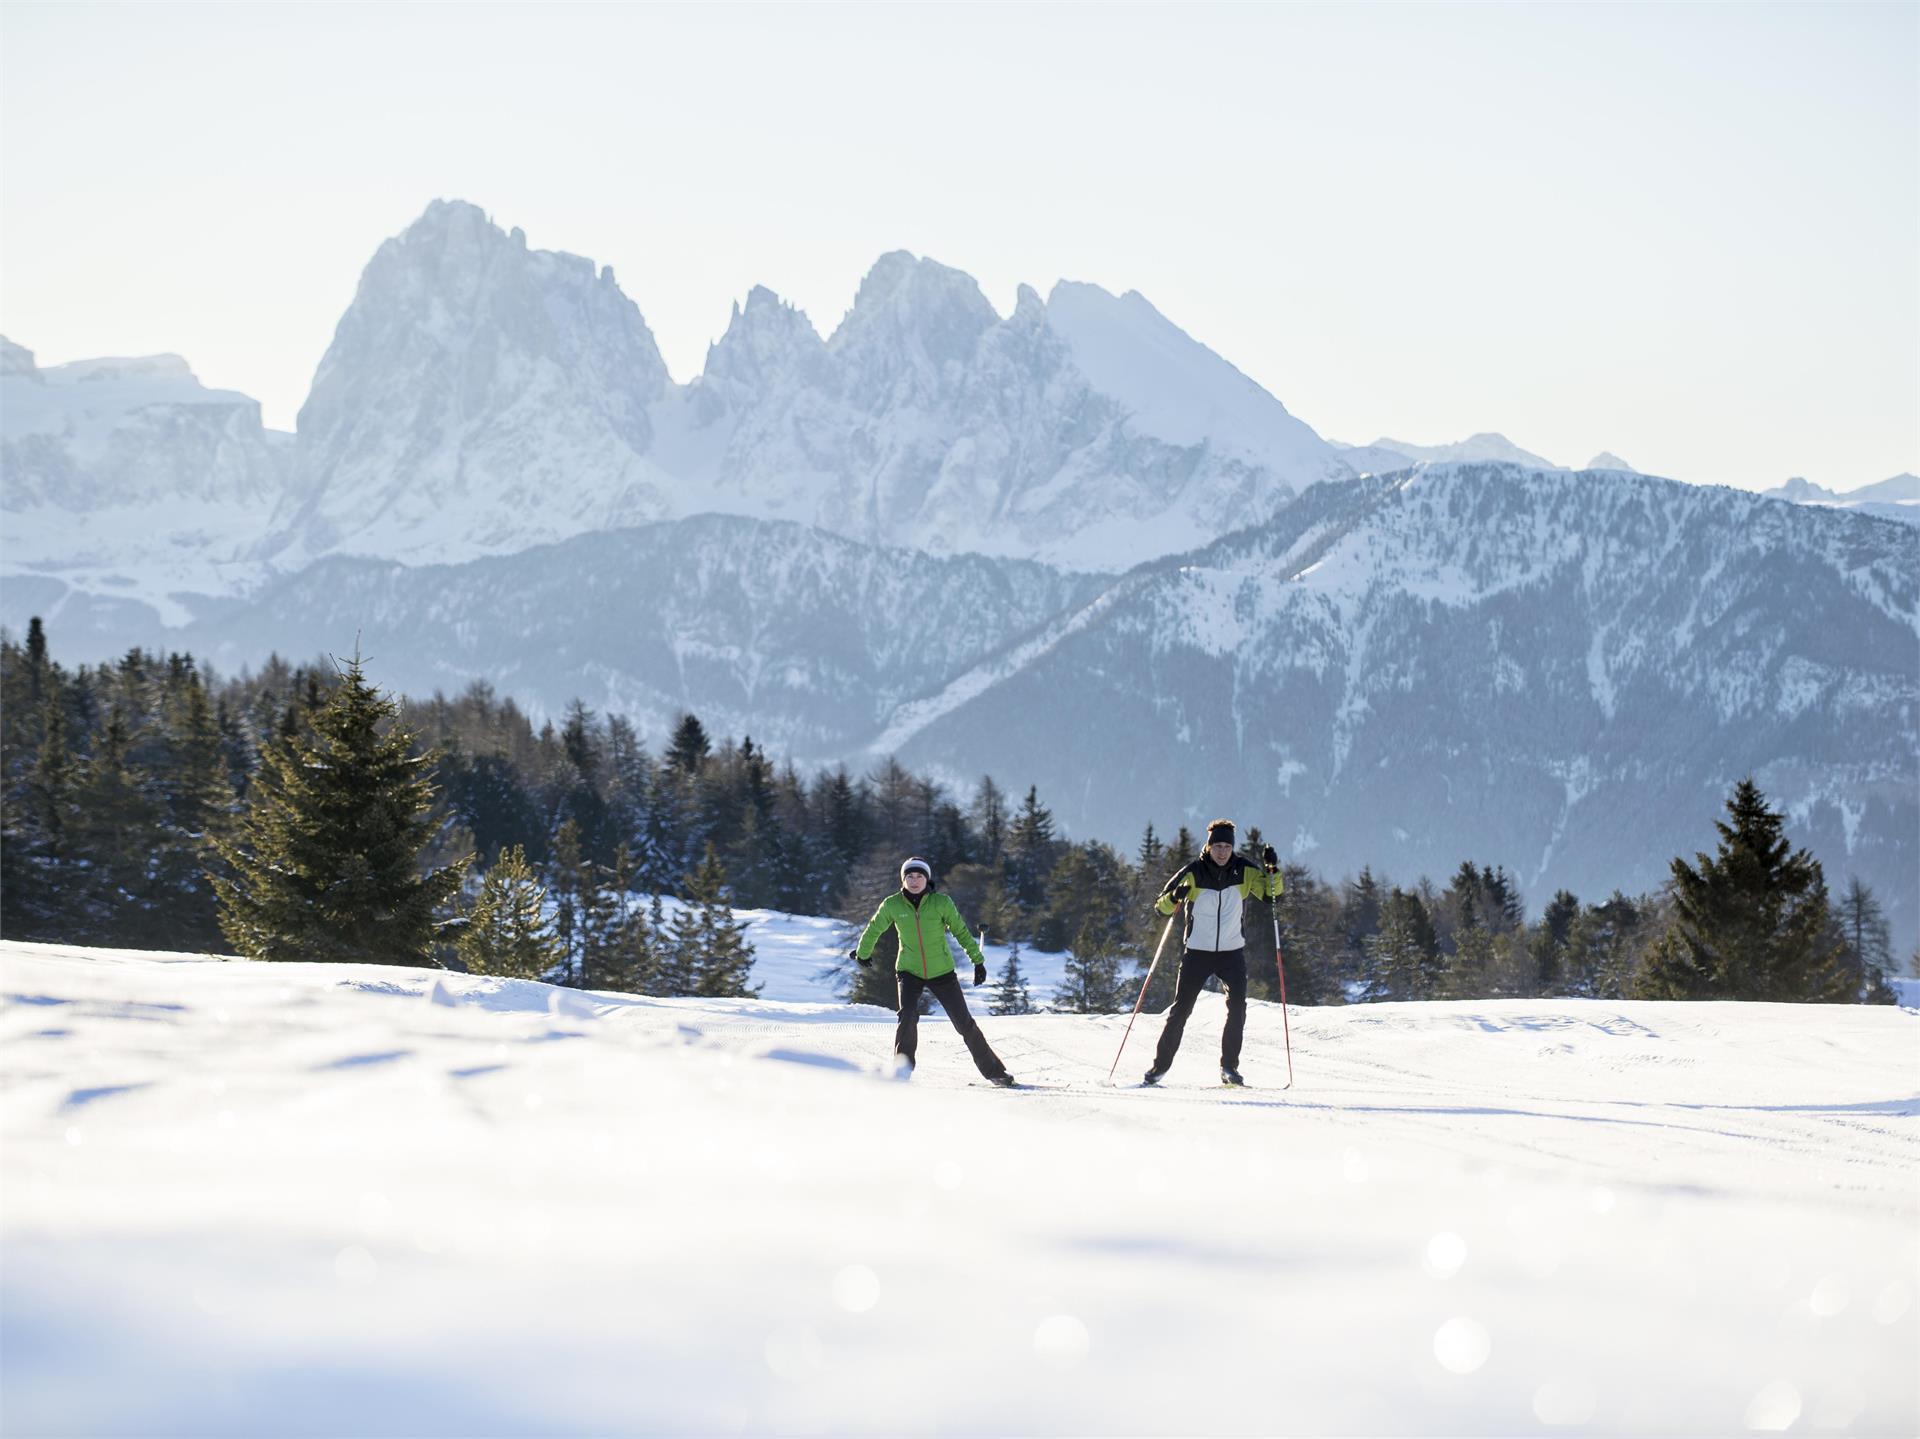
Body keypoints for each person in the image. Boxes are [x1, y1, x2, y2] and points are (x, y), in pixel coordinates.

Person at [850, 857, 1016, 1086]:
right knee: (907, 1017)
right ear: (903, 879)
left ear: (927, 879)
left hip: (942, 972)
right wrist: (863, 953)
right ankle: (902, 1070)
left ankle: (995, 1072)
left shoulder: (941, 903)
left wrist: (978, 962)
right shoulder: (893, 904)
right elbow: (874, 927)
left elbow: (960, 931)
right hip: (909, 970)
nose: (915, 880)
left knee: (964, 1023)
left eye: (919, 876)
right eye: (910, 876)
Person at [1145, 819, 1281, 1087]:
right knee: (1181, 1011)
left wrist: (1272, 868)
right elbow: (1160, 907)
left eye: (1227, 846)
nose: (1222, 851)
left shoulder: (1244, 871)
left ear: (1232, 847)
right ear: (1208, 846)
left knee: (1238, 1008)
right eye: (1217, 845)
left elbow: (1271, 896)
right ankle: (1159, 1068)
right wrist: (1175, 897)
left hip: (1232, 954)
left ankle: (1229, 1068)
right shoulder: (1193, 872)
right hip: (1197, 953)